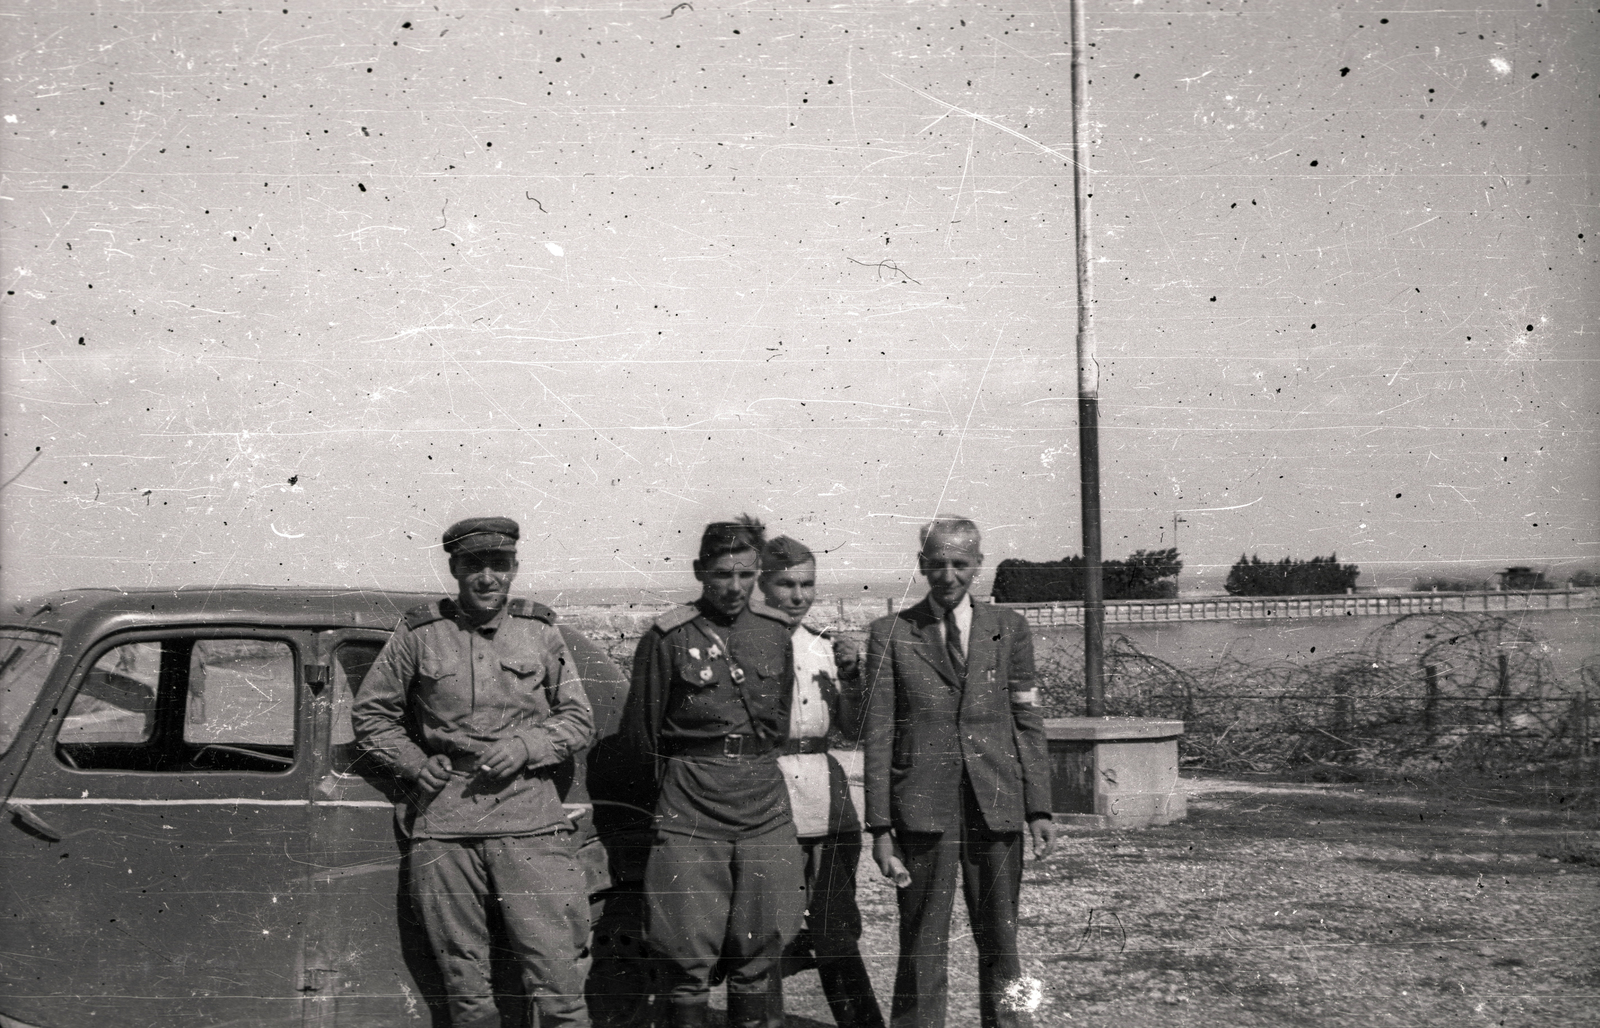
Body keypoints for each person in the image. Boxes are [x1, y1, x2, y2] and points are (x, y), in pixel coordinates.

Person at [353, 516, 595, 1028]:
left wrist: (528, 746)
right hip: (447, 822)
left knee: (559, 984)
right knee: (466, 990)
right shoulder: (420, 635)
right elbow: (372, 714)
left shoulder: (539, 631)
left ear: (514, 569)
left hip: (530, 819)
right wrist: (414, 762)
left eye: (499, 565)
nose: (487, 577)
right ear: (455, 569)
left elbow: (578, 718)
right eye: (473, 565)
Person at [861, 517, 1055, 1028]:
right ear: (922, 564)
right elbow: (878, 735)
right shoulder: (889, 634)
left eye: (960, 563)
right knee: (922, 941)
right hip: (922, 808)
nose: (948, 574)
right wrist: (880, 828)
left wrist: (1038, 806)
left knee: (1002, 938)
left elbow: (1026, 719)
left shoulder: (1008, 629)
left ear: (978, 565)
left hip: (997, 803)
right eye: (937, 562)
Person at [625, 516, 805, 1028]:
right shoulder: (668, 637)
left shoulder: (774, 633)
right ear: (700, 571)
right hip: (690, 804)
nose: (734, 587)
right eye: (722, 574)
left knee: (761, 947)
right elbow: (642, 737)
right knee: (686, 954)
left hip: (762, 800)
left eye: (746, 575)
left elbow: (778, 722)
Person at [758, 536, 887, 1028]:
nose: (797, 596)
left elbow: (852, 731)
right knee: (764, 931)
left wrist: (854, 679)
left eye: (806, 584)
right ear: (761, 586)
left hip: (827, 802)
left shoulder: (823, 648)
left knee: (836, 928)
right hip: (767, 800)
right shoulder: (741, 645)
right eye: (785, 584)